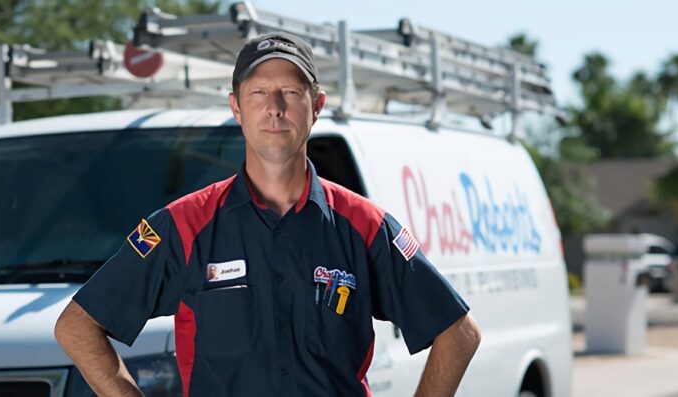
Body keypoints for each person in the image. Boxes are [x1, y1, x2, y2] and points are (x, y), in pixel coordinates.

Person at [54, 31, 481, 397]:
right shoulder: (184, 226)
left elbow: (458, 333)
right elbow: (77, 326)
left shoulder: (365, 226)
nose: (274, 107)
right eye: (258, 93)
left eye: (291, 93)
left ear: (316, 105)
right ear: (236, 107)